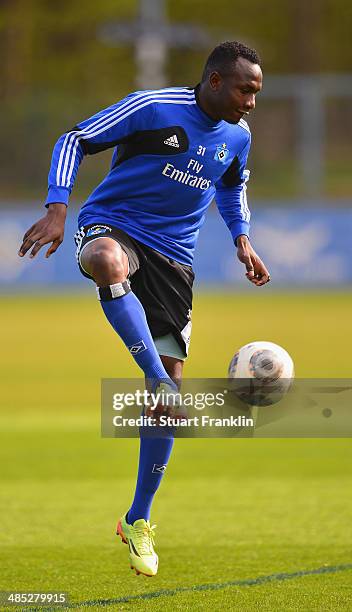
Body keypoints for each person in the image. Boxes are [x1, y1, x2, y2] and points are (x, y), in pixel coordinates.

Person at [18, 40, 270, 577]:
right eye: (246, 90)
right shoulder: (154, 107)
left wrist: (242, 239)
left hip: (174, 259)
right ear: (216, 81)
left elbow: (232, 187)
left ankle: (137, 519)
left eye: (257, 92)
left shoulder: (238, 135)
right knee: (108, 262)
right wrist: (58, 209)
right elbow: (75, 138)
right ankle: (157, 378)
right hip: (115, 225)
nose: (252, 102)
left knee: (168, 403)